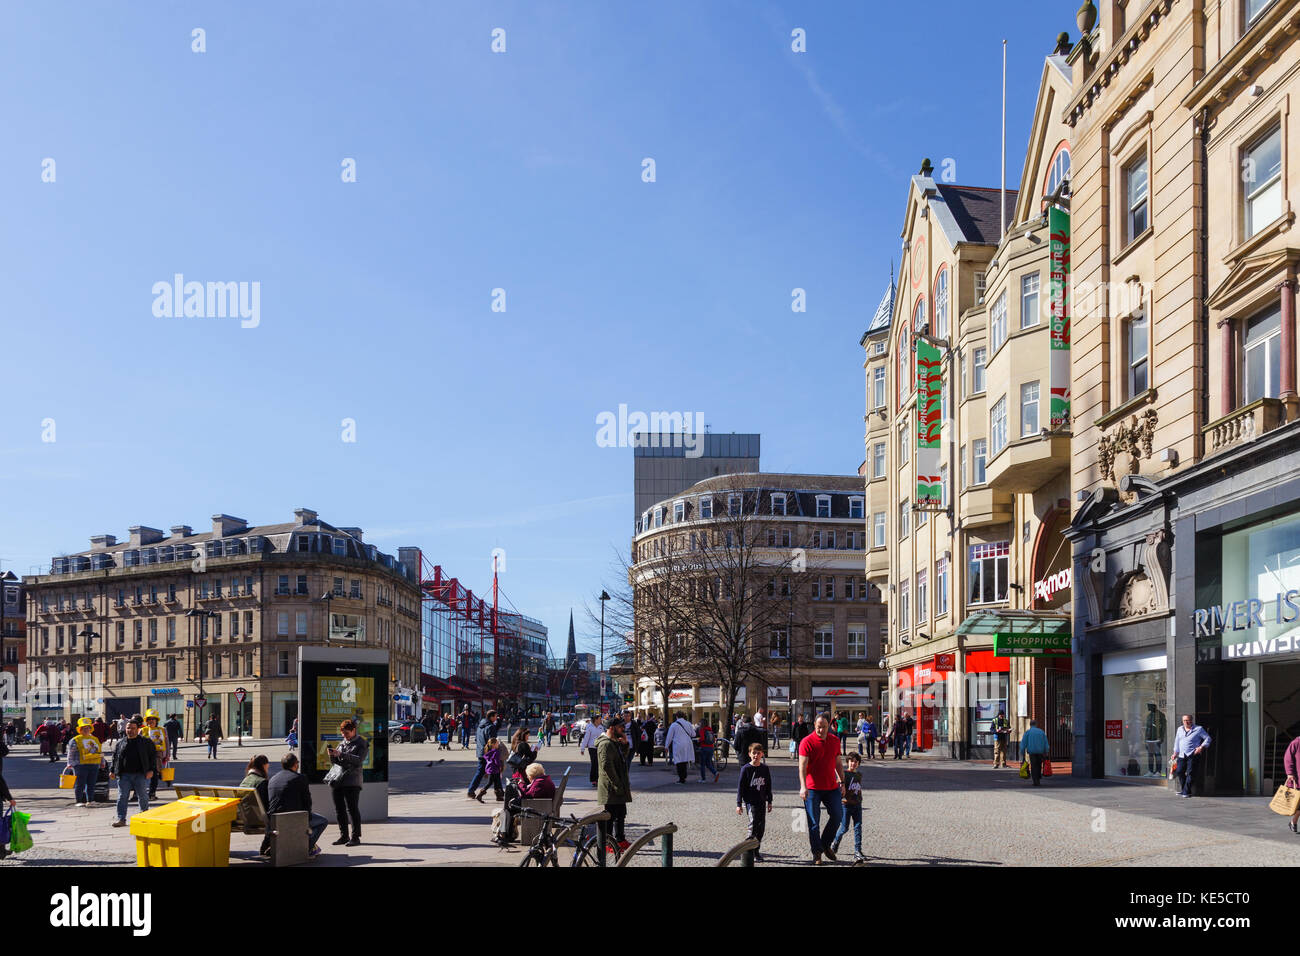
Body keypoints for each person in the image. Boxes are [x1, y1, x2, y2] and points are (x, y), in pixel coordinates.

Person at [798, 713, 844, 864]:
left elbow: (838, 763)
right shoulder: (806, 742)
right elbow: (802, 767)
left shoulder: (835, 741)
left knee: (838, 815)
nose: (821, 730)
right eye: (819, 727)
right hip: (812, 789)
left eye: (824, 727)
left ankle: (824, 844)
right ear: (814, 726)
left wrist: (842, 782)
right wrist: (803, 787)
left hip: (831, 787)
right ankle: (817, 853)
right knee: (814, 822)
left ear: (828, 727)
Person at [265, 753, 327, 857]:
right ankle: (306, 848)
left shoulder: (273, 779)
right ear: (295, 765)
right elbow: (307, 802)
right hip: (290, 817)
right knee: (322, 822)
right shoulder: (300, 778)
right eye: (297, 762)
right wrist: (307, 819)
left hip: (273, 819)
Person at [108, 717, 156, 827]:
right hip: (124, 775)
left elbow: (153, 757)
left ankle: (144, 817)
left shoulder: (146, 742)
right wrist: (112, 770)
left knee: (143, 796)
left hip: (140, 774)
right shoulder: (120, 743)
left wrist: (151, 770)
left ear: (138, 729)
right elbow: (115, 757)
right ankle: (121, 819)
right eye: (129, 728)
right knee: (122, 797)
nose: (131, 730)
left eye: (133, 728)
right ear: (125, 729)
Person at [327, 718, 368, 846]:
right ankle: (343, 836)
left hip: (352, 780)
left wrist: (342, 754)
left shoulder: (362, 743)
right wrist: (332, 755)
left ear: (354, 730)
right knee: (339, 809)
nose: (344, 736)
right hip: (338, 780)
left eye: (346, 733)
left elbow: (358, 760)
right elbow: (337, 763)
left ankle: (355, 837)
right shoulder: (342, 743)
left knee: (352, 809)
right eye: (343, 733)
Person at [596, 714, 632, 852]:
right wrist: (617, 784)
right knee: (610, 816)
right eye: (619, 726)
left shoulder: (613, 741)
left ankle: (620, 839)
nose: (622, 729)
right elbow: (607, 766)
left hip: (618, 784)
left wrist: (625, 744)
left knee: (621, 813)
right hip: (611, 786)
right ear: (612, 728)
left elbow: (622, 758)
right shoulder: (605, 744)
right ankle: (607, 842)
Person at [735, 742, 772, 861]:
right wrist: (739, 804)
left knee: (761, 827)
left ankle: (756, 850)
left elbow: (768, 786)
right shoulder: (746, 769)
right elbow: (740, 787)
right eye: (754, 753)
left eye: (758, 753)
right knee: (753, 824)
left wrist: (769, 801)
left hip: (762, 801)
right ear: (749, 754)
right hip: (751, 802)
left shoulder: (764, 769)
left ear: (762, 754)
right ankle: (747, 850)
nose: (756, 755)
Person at [831, 751, 865, 863]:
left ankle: (857, 851)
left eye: (856, 762)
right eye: (851, 761)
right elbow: (838, 786)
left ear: (858, 763)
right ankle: (835, 841)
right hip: (846, 805)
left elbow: (858, 789)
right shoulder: (844, 774)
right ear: (847, 763)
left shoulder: (859, 775)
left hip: (857, 804)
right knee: (844, 827)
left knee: (858, 826)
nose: (853, 764)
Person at [466, 709, 505, 799]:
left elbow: (478, 738)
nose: (496, 718)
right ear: (491, 717)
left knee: (482, 772)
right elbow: (492, 741)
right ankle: (498, 793)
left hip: (481, 751)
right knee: (494, 771)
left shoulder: (481, 725)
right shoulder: (490, 727)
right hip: (489, 753)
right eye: (495, 716)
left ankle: (498, 793)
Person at [66, 717, 104, 807]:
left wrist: (102, 762)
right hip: (80, 765)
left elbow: (100, 751)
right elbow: (71, 752)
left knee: (91, 784)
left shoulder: (95, 739)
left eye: (88, 728)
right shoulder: (75, 740)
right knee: (80, 784)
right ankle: (79, 801)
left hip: (94, 764)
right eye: (84, 728)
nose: (87, 730)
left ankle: (90, 800)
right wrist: (69, 763)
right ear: (80, 729)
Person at [1172, 714, 1211, 798]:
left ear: (1191, 720)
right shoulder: (1180, 729)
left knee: (1191, 773)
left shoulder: (1198, 729)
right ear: (1182, 721)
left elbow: (1208, 738)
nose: (1186, 722)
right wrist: (1175, 753)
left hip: (1193, 754)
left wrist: (1201, 747)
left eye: (1188, 720)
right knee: (1179, 771)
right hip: (1182, 754)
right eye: (1185, 720)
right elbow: (1177, 741)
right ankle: (1185, 790)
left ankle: (1186, 792)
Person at [239, 754, 272, 829]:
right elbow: (266, 804)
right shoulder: (262, 782)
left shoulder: (245, 780)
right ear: (264, 766)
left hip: (244, 817)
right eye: (267, 766)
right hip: (258, 818)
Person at [143, 710, 170, 798]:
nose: (151, 721)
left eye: (153, 719)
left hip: (157, 755)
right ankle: (139, 793)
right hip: (144, 755)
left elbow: (166, 742)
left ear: (156, 720)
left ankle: (152, 793)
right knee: (142, 775)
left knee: (154, 774)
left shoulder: (162, 730)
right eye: (149, 719)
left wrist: (167, 755)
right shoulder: (143, 730)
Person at [664, 711, 696, 784]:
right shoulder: (688, 723)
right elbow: (693, 734)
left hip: (678, 745)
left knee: (679, 761)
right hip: (687, 744)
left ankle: (681, 778)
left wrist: (666, 746)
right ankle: (684, 776)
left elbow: (669, 737)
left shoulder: (674, 725)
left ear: (676, 716)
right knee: (684, 760)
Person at [1020, 719, 1050, 786]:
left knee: (1033, 766)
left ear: (1030, 725)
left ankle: (1035, 780)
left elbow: (1023, 744)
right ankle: (1038, 778)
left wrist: (1022, 753)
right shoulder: (1041, 732)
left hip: (1032, 752)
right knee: (1039, 765)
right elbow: (1046, 743)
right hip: (1040, 752)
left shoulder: (1028, 732)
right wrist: (1047, 751)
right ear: (1036, 724)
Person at [474, 737, 504, 803]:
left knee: (497, 782)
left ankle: (499, 796)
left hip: (490, 769)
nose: (498, 744)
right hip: (495, 769)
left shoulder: (489, 752)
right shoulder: (496, 752)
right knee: (490, 783)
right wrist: (500, 767)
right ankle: (480, 795)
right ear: (493, 744)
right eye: (497, 743)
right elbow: (497, 762)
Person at [581, 715, 605, 788]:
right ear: (596, 720)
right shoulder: (590, 727)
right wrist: (582, 748)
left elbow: (604, 736)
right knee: (594, 763)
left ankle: (599, 779)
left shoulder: (601, 727)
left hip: (600, 747)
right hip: (592, 747)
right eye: (600, 719)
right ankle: (593, 780)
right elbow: (586, 738)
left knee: (600, 763)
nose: (601, 720)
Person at [1145, 703, 1167, 777]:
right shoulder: (1149, 716)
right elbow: (1147, 728)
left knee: (1157, 755)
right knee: (1150, 755)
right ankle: (1150, 771)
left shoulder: (1160, 715)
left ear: (1153, 706)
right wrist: (1146, 739)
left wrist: (1162, 737)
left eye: (1149, 706)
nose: (1148, 707)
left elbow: (1163, 727)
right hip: (1149, 739)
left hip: (1157, 738)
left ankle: (1158, 771)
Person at [1284, 735, 1300, 834]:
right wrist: (1290, 773)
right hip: (1298, 780)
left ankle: (1293, 822)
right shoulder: (1296, 742)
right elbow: (1288, 758)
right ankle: (1293, 821)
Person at [696, 718, 718, 783]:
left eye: (699, 722)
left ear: (701, 723)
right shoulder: (710, 729)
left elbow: (702, 738)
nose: (699, 724)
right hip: (711, 748)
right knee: (708, 763)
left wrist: (698, 740)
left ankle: (703, 779)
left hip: (704, 748)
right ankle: (715, 773)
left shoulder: (702, 729)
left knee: (702, 764)